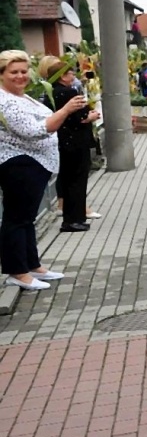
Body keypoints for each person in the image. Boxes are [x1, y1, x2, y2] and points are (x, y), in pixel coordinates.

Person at [0, 51, 83, 291]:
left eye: (24, 71)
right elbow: (34, 130)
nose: (20, 76)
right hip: (19, 163)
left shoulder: (22, 97)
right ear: (2, 75)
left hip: (36, 163)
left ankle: (32, 265)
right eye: (13, 72)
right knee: (17, 218)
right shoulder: (5, 101)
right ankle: (17, 271)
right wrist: (66, 110)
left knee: (27, 218)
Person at [41, 57, 100, 235]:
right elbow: (80, 118)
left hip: (63, 141)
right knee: (77, 181)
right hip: (75, 141)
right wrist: (91, 116)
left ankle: (71, 217)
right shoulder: (68, 93)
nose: (72, 75)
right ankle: (75, 219)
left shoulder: (52, 93)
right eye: (68, 73)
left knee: (68, 180)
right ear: (60, 76)